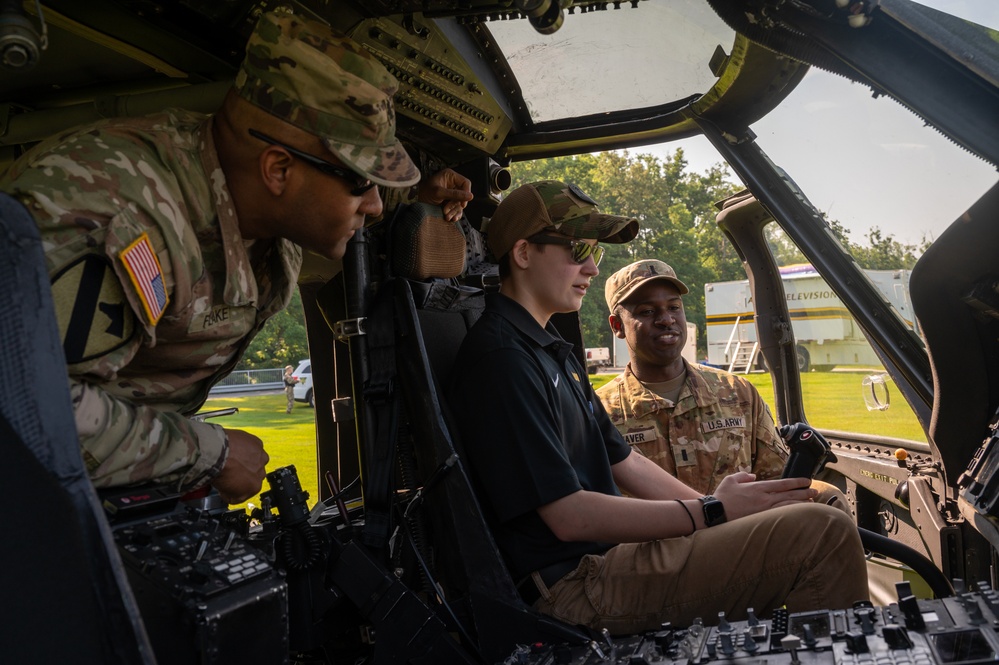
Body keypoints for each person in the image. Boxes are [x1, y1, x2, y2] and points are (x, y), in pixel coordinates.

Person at [1, 11, 472, 504]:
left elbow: (331, 195)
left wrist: (418, 196)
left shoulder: (264, 198)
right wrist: (212, 454)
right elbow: (25, 407)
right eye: (361, 183)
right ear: (277, 169)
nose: (374, 204)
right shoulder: (118, 217)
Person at [447, 180, 868, 635]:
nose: (589, 266)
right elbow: (568, 517)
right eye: (577, 249)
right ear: (524, 253)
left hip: (601, 565)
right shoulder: (503, 360)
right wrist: (710, 513)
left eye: (596, 253)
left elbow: (624, 461)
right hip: (574, 585)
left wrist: (714, 508)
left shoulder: (548, 350)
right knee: (820, 534)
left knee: (818, 508)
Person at [596, 259, 847, 508]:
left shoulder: (738, 393)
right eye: (647, 311)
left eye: (673, 307)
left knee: (826, 498)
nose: (666, 319)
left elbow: (775, 480)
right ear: (617, 326)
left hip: (742, 537)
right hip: (656, 545)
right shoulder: (598, 412)